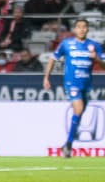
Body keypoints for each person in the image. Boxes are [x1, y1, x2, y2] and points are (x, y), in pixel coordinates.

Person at [44, 19, 103, 157]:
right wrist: (46, 77)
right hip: (72, 82)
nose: (81, 29)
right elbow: (53, 58)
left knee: (79, 114)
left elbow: (104, 65)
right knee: (79, 109)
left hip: (86, 84)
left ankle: (67, 144)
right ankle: (69, 145)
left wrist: (96, 59)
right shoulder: (66, 43)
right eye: (79, 27)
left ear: (88, 29)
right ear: (74, 29)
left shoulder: (94, 45)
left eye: (84, 27)